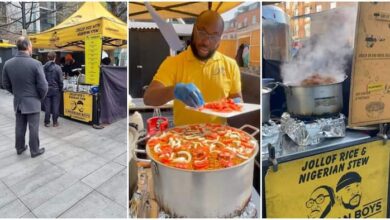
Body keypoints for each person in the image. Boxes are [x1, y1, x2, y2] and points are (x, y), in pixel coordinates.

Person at [144, 10, 242, 126]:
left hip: (218, 137)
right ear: (194, 30)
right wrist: (174, 90)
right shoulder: (173, 63)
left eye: (214, 36)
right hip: (182, 138)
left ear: (219, 40)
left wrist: (236, 104)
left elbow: (237, 99)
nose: (206, 41)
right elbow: (149, 98)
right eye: (202, 32)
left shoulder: (230, 65)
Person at [2, 36, 48, 158]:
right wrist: (39, 97)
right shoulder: (36, 63)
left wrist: (16, 93)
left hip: (18, 101)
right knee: (33, 128)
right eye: (31, 46)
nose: (32, 48)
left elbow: (5, 84)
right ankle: (34, 150)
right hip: (33, 101)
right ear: (28, 47)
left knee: (19, 126)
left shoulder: (8, 63)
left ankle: (20, 147)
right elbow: (43, 86)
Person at [43, 51, 63, 127]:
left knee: (47, 106)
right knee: (56, 106)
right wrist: (60, 88)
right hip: (56, 89)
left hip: (46, 89)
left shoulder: (43, 67)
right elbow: (61, 81)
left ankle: (47, 122)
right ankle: (55, 122)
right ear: (55, 58)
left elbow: (41, 79)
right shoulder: (58, 68)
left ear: (48, 58)